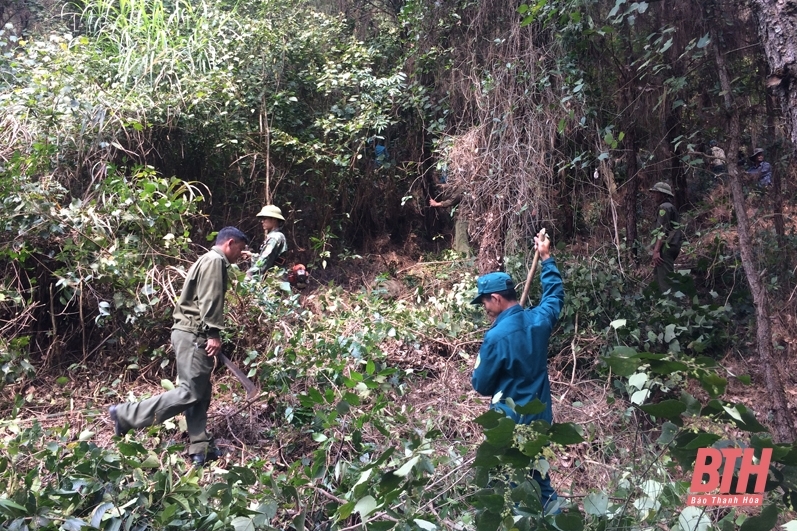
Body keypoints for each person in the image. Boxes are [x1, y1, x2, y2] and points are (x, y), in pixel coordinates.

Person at [109, 227, 249, 467]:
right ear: (230, 243)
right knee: (190, 391)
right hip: (194, 333)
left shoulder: (206, 259)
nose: (240, 254)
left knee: (201, 391)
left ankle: (200, 448)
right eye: (240, 249)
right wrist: (213, 333)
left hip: (189, 332)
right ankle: (125, 415)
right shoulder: (215, 261)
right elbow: (210, 298)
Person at [470, 230, 565, 513]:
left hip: (510, 423)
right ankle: (554, 517)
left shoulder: (496, 337)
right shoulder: (538, 320)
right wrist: (546, 258)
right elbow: (554, 296)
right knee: (538, 476)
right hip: (540, 417)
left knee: (516, 482)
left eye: (485, 302)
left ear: (497, 299)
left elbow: (482, 385)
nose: (484, 308)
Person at [649, 182, 682, 293]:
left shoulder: (664, 207)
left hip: (665, 248)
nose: (653, 195)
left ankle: (670, 307)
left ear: (663, 194)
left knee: (665, 283)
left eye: (655, 192)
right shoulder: (669, 207)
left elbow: (662, 231)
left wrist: (656, 250)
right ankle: (663, 307)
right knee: (659, 278)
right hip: (670, 247)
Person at [246, 205, 288, 279]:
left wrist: (248, 276)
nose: (262, 221)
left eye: (265, 219)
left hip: (274, 281)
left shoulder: (274, 238)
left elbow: (264, 261)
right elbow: (270, 259)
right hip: (274, 280)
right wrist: (251, 256)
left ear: (274, 220)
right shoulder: (276, 236)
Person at [429, 180, 470, 255]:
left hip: (464, 216)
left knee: (461, 236)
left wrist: (437, 204)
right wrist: (440, 186)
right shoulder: (464, 184)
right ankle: (458, 255)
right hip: (462, 216)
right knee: (458, 236)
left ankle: (465, 257)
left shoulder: (462, 186)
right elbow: (450, 187)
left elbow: (452, 200)